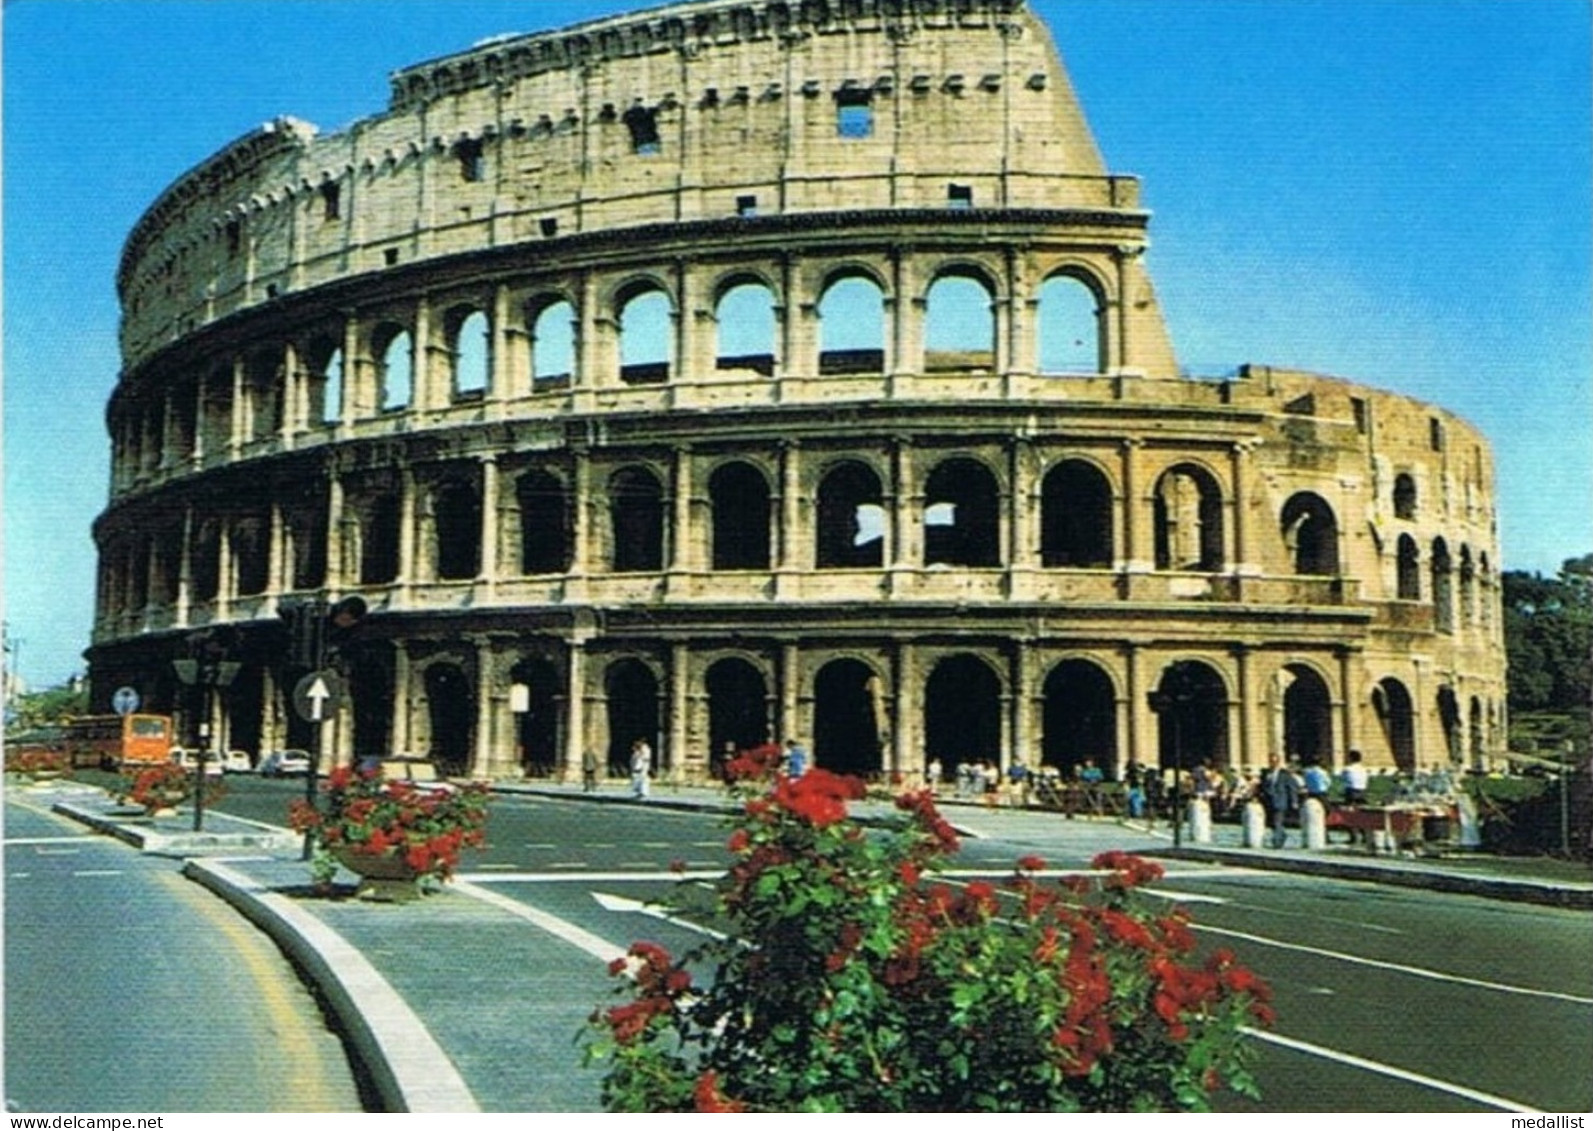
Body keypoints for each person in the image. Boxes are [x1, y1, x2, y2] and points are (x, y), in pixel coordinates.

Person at [1261, 754, 1302, 849]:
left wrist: (1294, 801)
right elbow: (1262, 787)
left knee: (1277, 821)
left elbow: (1292, 787)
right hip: (1268, 802)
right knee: (1270, 822)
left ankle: (1277, 842)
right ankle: (1282, 834)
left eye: (1275, 761)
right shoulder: (1265, 773)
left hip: (1280, 801)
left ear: (1278, 762)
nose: (1273, 763)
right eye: (1271, 761)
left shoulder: (1285, 774)